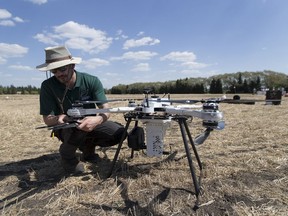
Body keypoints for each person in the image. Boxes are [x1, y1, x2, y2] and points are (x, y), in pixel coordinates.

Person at [36, 45, 126, 175]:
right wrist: (60, 118)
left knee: (119, 133)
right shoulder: (47, 86)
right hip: (67, 126)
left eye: (62, 69)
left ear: (72, 65)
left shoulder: (91, 81)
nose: (59, 74)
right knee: (76, 130)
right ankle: (68, 158)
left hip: (91, 122)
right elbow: (47, 120)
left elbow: (106, 109)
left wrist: (98, 119)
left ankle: (88, 151)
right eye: (54, 71)